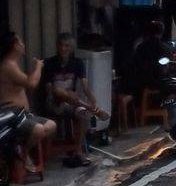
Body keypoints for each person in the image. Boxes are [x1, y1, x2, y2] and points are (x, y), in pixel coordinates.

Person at [44, 33, 109, 167]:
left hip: (73, 102)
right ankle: (93, 110)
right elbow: (50, 90)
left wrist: (93, 101)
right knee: (62, 91)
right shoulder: (49, 63)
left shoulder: (77, 63)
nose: (63, 49)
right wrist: (66, 95)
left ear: (71, 48)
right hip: (55, 103)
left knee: (83, 114)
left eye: (67, 46)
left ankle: (78, 151)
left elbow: (85, 87)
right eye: (61, 45)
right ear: (57, 47)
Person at [0, 32, 56, 170]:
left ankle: (21, 150)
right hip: (12, 116)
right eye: (21, 42)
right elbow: (31, 83)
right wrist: (38, 67)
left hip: (24, 114)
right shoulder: (8, 65)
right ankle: (21, 153)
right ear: (15, 46)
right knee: (38, 129)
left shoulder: (13, 64)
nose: (23, 45)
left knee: (51, 125)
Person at [132, 21, 173, 94]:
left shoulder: (141, 47)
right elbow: (167, 67)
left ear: (149, 32)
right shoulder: (166, 48)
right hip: (161, 84)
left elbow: (136, 65)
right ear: (161, 33)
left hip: (143, 84)